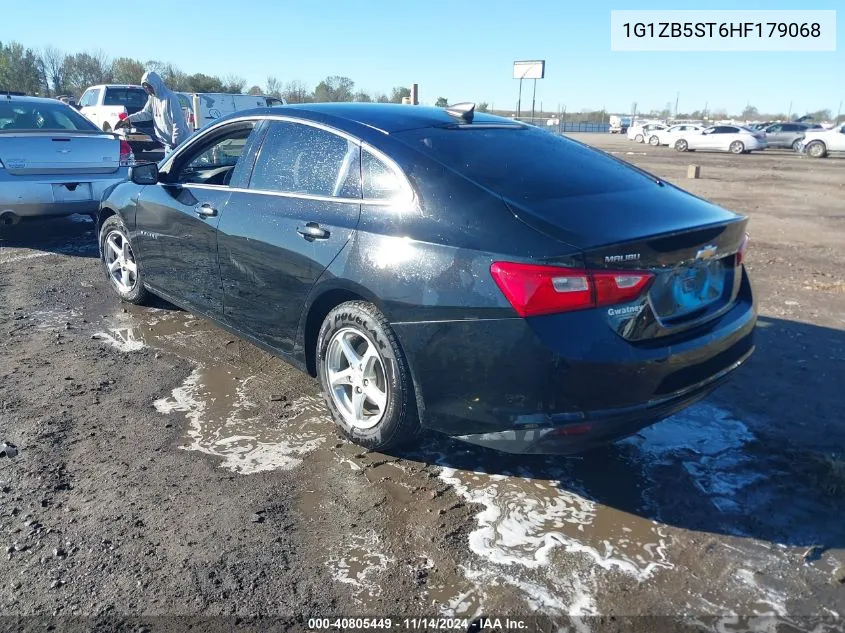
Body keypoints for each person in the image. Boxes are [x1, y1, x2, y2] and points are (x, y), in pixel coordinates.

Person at [115, 71, 190, 155]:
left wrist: (175, 141)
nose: (148, 90)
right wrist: (129, 119)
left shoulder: (170, 98)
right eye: (145, 88)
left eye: (149, 87)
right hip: (168, 145)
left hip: (181, 144)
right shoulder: (152, 98)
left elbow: (177, 121)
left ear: (156, 84)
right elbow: (146, 113)